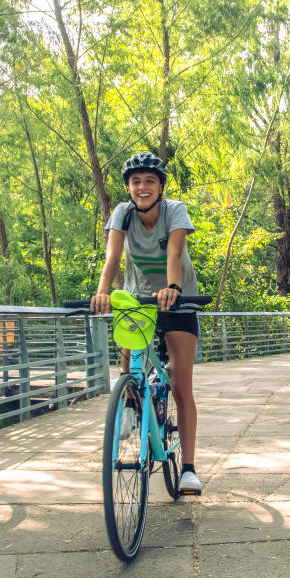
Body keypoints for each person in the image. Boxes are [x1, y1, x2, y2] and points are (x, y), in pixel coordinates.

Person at [91, 152, 204, 495]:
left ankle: (187, 468)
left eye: (149, 181)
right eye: (136, 181)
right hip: (138, 297)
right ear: (128, 187)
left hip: (178, 300)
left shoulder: (174, 210)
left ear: (159, 187)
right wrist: (102, 293)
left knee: (182, 387)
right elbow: (112, 257)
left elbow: (173, 253)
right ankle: (128, 401)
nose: (143, 187)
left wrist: (172, 288)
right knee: (130, 359)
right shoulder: (123, 214)